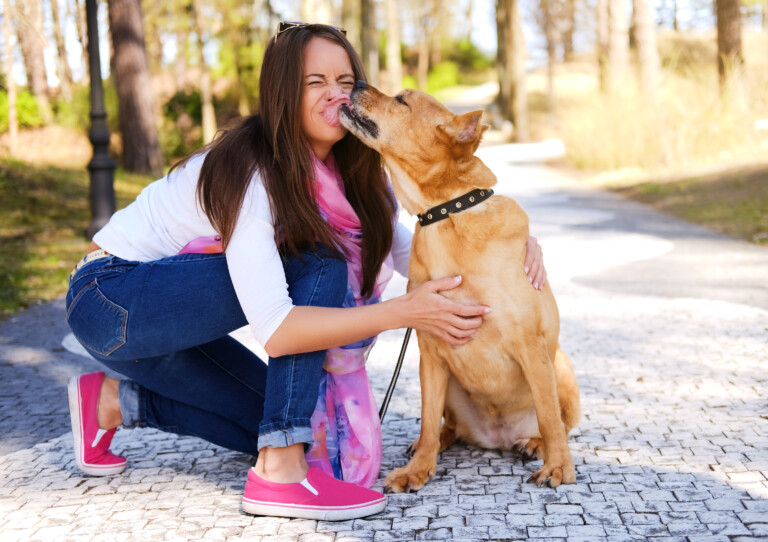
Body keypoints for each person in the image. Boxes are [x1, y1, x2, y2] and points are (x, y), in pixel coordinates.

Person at [64, 22, 547, 521]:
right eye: (315, 82)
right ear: (282, 92)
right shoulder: (252, 172)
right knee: (320, 264)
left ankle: (112, 403)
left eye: (345, 81)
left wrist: (504, 244)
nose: (335, 94)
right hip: (112, 299)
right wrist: (400, 312)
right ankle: (280, 473)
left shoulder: (349, 175)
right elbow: (277, 329)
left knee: (284, 420)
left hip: (174, 316)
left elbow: (412, 254)